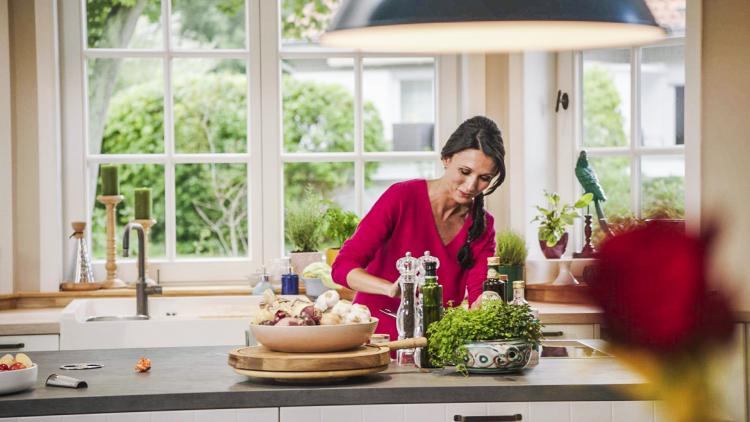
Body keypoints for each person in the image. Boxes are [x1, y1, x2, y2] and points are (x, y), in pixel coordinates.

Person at [331, 116, 507, 342]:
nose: (471, 185)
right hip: (374, 341)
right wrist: (391, 289)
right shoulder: (402, 197)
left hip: (433, 345)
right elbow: (342, 267)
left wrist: (486, 304)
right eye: (464, 171)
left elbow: (478, 295)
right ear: (446, 158)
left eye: (484, 178)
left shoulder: (483, 225)